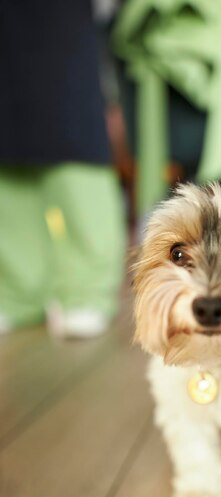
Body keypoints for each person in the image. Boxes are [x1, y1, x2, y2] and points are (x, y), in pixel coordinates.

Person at [0, 0, 126, 338]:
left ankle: (88, 291)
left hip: (62, 16)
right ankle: (18, 294)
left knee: (75, 143)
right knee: (6, 153)